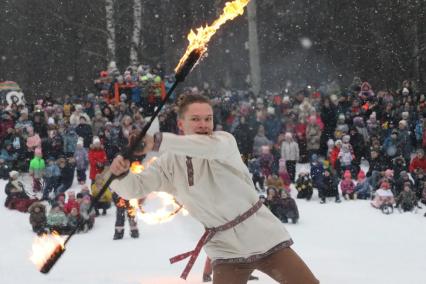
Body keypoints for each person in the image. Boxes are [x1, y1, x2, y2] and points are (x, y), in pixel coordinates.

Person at [110, 93, 318, 283]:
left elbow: (202, 147)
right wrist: (120, 173)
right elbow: (134, 189)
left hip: (264, 237)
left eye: (208, 119)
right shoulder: (168, 164)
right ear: (181, 124)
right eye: (195, 119)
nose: (203, 124)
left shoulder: (224, 142)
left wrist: (155, 141)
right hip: (225, 250)